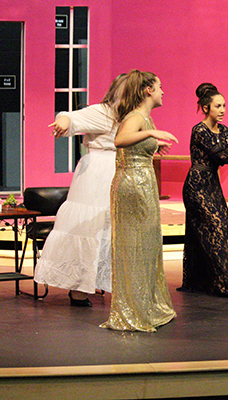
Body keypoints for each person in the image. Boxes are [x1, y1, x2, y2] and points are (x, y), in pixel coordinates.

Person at [34, 73, 126, 307]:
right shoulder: (104, 111)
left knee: (108, 230)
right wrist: (64, 122)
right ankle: (78, 288)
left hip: (118, 171)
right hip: (98, 173)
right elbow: (71, 117)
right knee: (89, 227)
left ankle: (108, 284)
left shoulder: (131, 117)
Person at [100, 70, 178, 332]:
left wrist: (155, 143)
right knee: (135, 247)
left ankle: (146, 305)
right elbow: (120, 140)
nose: (162, 91)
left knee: (147, 246)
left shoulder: (146, 118)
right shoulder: (135, 116)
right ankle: (132, 310)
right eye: (159, 87)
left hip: (142, 182)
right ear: (148, 91)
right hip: (132, 185)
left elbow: (138, 145)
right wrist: (152, 135)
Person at [177, 83, 228, 298]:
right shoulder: (199, 130)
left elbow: (226, 158)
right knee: (215, 227)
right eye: (218, 106)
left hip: (212, 184)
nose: (222, 110)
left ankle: (203, 282)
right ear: (205, 108)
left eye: (224, 106)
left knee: (226, 229)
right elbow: (222, 154)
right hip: (197, 185)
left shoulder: (225, 130)